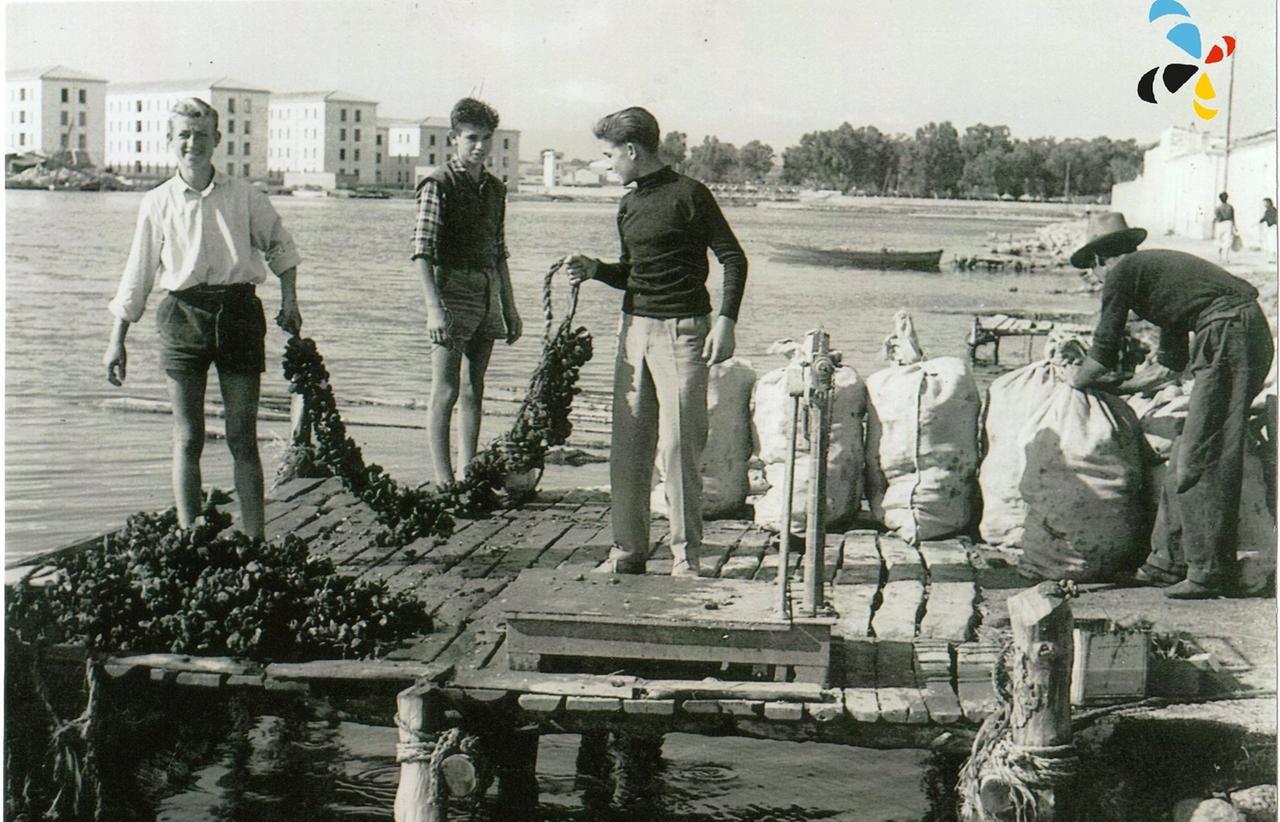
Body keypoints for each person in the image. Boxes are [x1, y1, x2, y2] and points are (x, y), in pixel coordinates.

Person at [104, 97, 302, 539]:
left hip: (238, 315)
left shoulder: (246, 197)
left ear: (217, 140)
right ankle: (189, 537)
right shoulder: (156, 203)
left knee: (241, 437)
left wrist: (290, 301)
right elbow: (136, 275)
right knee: (188, 437)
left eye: (201, 135)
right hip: (181, 316)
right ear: (170, 141)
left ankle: (255, 540)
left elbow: (281, 248)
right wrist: (116, 339)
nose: (192, 143)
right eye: (183, 135)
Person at [565, 107, 748, 577]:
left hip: (684, 332)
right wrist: (595, 269)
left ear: (632, 150)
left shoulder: (691, 195)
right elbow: (632, 274)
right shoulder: (628, 205)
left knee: (678, 447)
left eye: (610, 155)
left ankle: (686, 557)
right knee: (629, 446)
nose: (608, 165)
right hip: (634, 333)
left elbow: (733, 259)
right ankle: (628, 550)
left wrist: (725, 322)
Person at [1068, 212, 1273, 598]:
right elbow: (1169, 365)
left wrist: (1075, 380)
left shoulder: (1121, 274)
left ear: (1097, 260)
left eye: (1090, 270)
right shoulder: (1152, 274)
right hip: (1237, 333)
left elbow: (1101, 355)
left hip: (1230, 334)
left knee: (1203, 455)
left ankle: (1210, 572)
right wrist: (1124, 389)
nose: (1093, 278)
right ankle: (1167, 562)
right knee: (1184, 450)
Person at [412, 98, 522, 485]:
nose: (480, 146)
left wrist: (510, 307)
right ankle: (444, 481)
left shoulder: (495, 189)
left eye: (486, 138)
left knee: (475, 387)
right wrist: (434, 309)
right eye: (471, 138)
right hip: (451, 290)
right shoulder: (438, 184)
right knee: (445, 390)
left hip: (487, 288)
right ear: (454, 138)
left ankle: (467, 472)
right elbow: (422, 251)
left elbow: (499, 251)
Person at [1213, 191, 1236, 262]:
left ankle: (1219, 257)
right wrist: (1235, 226)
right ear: (1227, 198)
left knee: (1219, 239)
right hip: (1228, 223)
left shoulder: (1218, 207)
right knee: (1227, 240)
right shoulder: (1230, 207)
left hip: (1220, 224)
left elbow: (1217, 217)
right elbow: (1233, 217)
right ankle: (1226, 257)